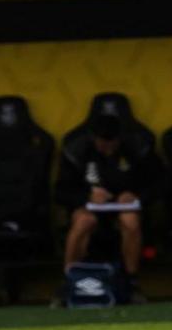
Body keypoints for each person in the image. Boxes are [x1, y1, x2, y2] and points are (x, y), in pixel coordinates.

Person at [55, 113, 158, 300]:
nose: (108, 147)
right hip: (89, 209)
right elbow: (61, 192)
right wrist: (87, 197)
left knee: (130, 219)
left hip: (124, 208)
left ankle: (132, 283)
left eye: (112, 142)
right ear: (94, 138)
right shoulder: (77, 151)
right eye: (103, 142)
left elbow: (160, 183)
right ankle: (68, 280)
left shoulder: (137, 149)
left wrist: (136, 196)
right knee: (84, 220)